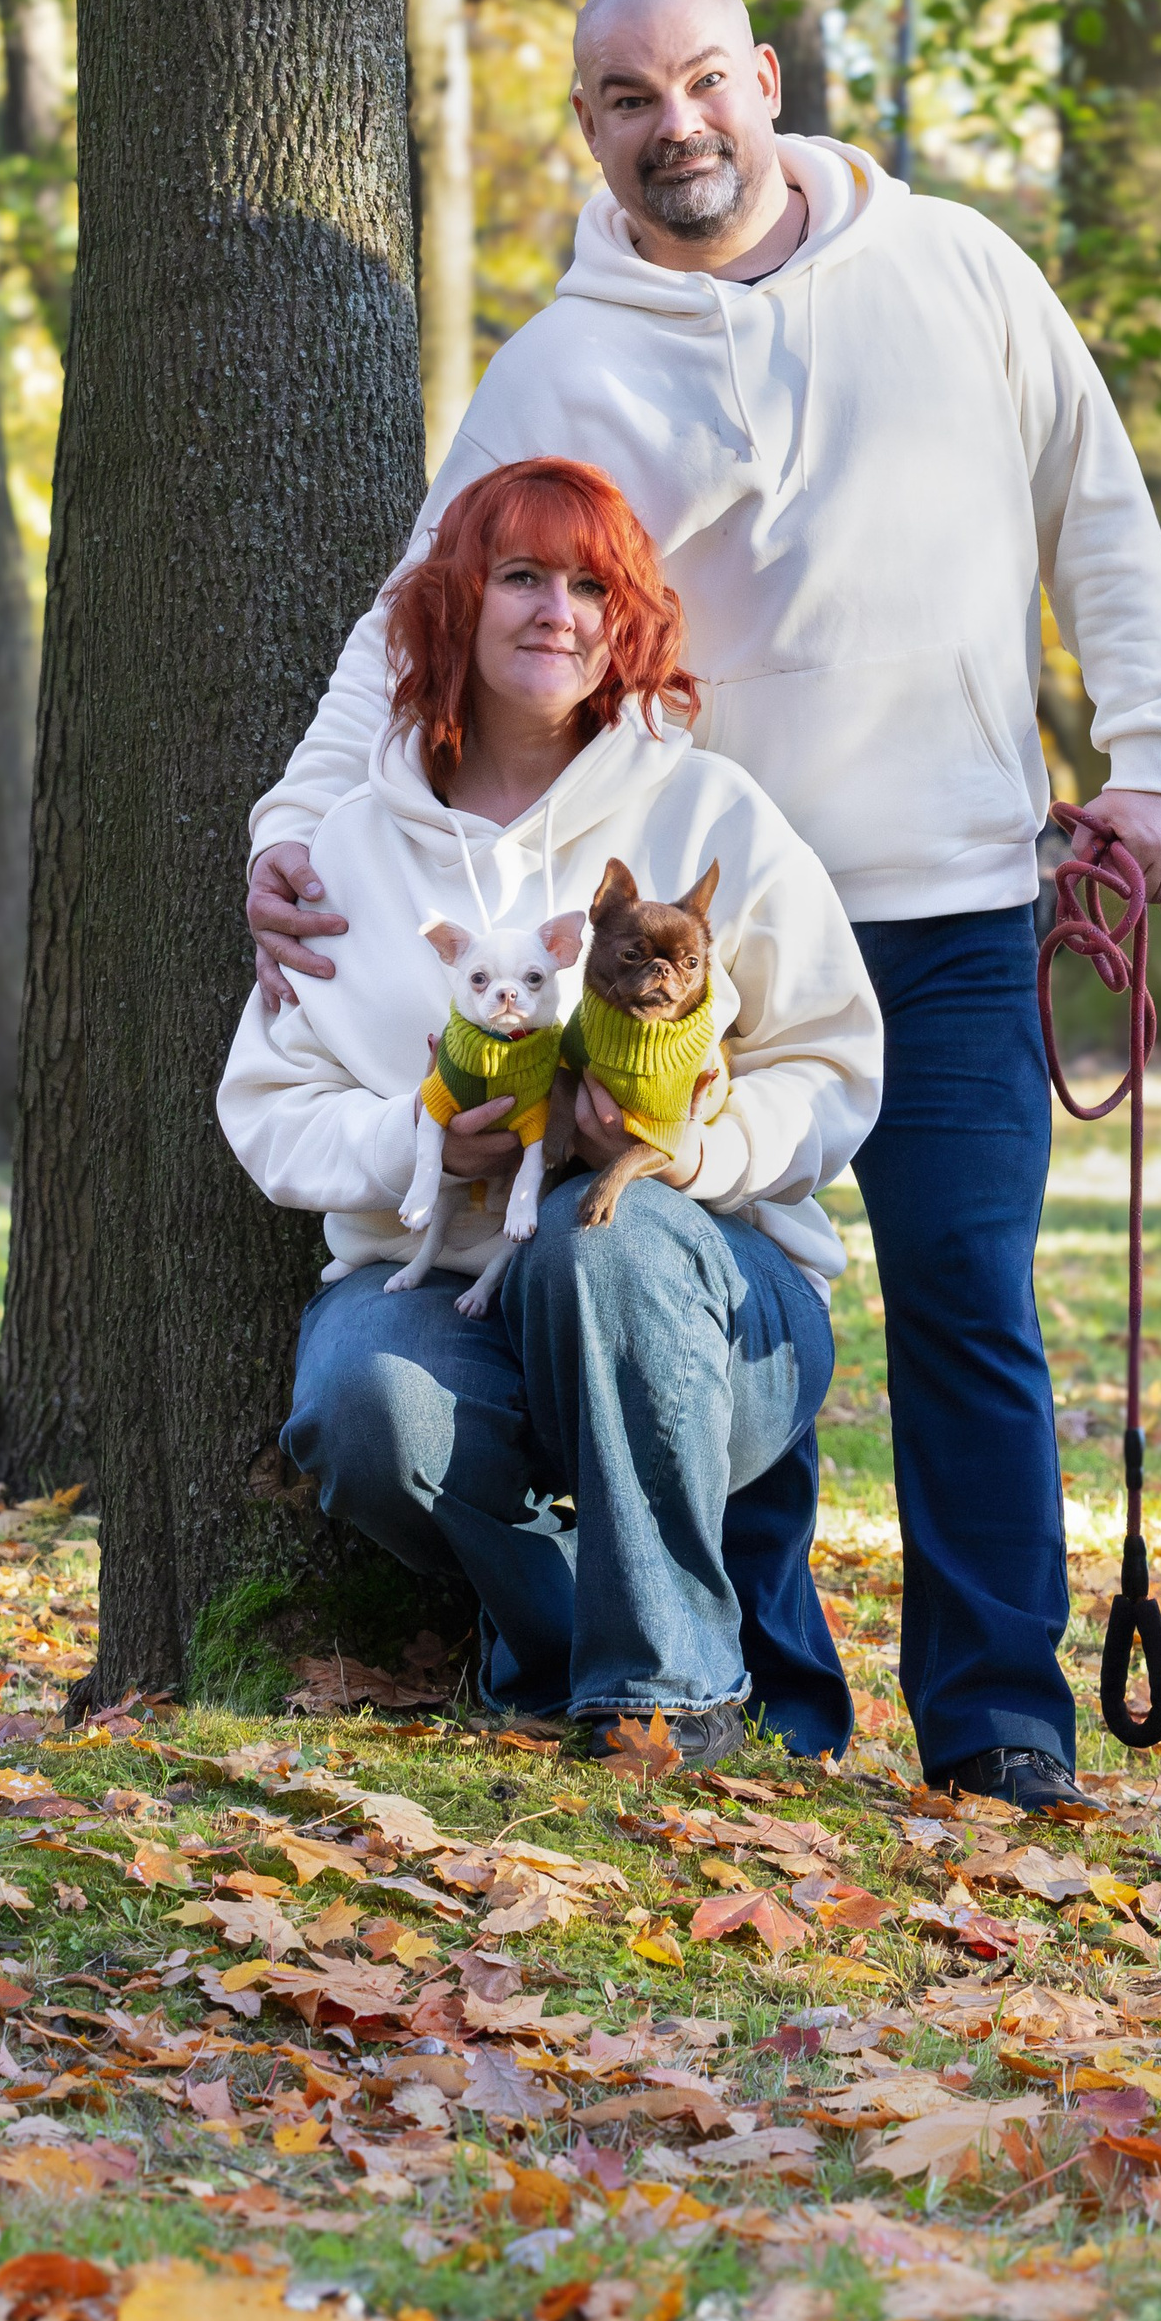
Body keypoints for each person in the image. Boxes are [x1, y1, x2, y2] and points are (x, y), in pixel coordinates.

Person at [247, 0, 1161, 1810]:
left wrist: (1147, 757)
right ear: (591, 132)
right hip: (705, 937)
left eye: (702, 81)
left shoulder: (960, 273)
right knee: (693, 1263)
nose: (674, 125)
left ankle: (1002, 1724)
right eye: (626, 99)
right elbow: (426, 605)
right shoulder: (566, 363)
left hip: (952, 906)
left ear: (765, 78)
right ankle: (757, 1697)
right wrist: (294, 819)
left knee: (964, 1301)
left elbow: (1101, 505)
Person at [219, 456, 883, 1766]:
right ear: (457, 602)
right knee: (364, 1404)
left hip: (707, 1295)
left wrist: (696, 1149)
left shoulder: (707, 809)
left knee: (604, 1238)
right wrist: (421, 1145)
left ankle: (671, 1705)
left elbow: (833, 1064)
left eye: (591, 585)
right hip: (452, 1288)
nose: (557, 612)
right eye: (522, 576)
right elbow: (268, 1102)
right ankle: (575, 1657)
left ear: (624, 618)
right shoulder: (347, 847)